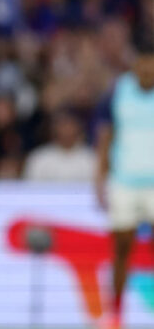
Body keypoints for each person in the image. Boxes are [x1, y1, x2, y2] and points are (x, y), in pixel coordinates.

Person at [95, 41, 154, 329]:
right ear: (135, 64)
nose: (147, 69)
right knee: (121, 249)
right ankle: (115, 315)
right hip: (124, 182)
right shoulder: (118, 91)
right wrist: (99, 178)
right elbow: (105, 137)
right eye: (142, 63)